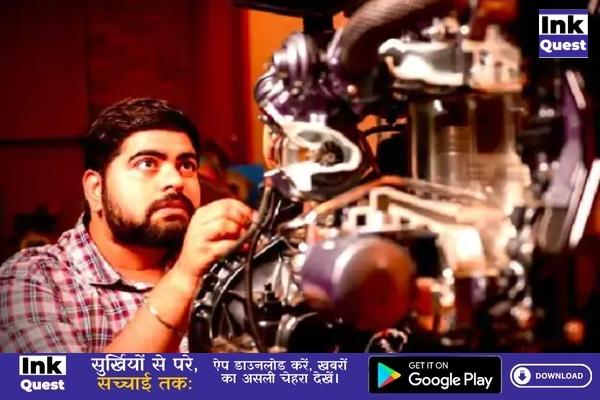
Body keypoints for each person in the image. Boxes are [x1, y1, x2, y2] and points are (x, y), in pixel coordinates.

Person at [0, 98, 255, 352]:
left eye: (186, 165)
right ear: (96, 189)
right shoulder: (34, 278)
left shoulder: (224, 268)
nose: (176, 180)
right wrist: (183, 278)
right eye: (147, 163)